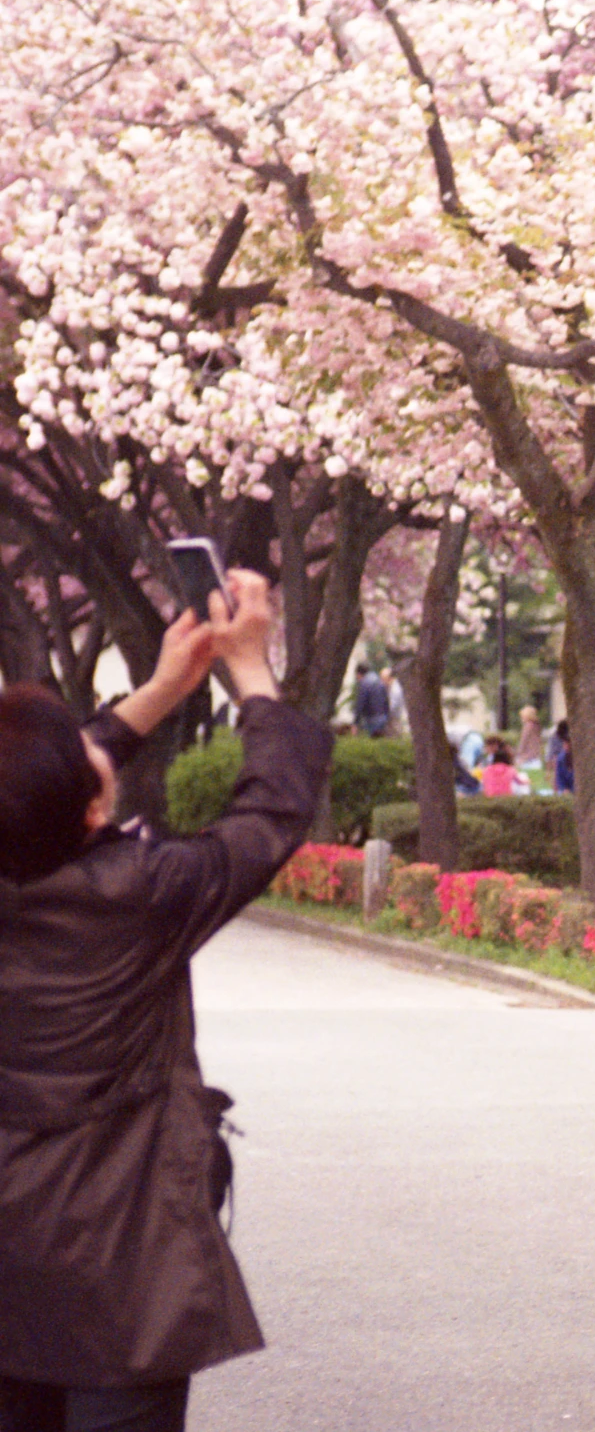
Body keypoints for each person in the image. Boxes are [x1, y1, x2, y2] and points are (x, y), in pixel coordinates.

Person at [0, 570, 332, 1431]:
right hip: (125, 1273)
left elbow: (34, 789)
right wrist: (251, 671)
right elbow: (271, 812)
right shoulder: (142, 895)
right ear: (89, 804)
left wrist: (157, 690)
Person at [351, 661, 390, 738]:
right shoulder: (379, 681)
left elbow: (360, 704)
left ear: (359, 673)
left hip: (371, 718)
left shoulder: (364, 683)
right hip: (382, 717)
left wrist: (355, 723)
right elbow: (386, 700)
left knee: (372, 742)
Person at [549, 719, 574, 794]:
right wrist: (564, 789)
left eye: (568, 743)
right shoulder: (561, 759)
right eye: (565, 742)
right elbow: (559, 780)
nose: (566, 746)